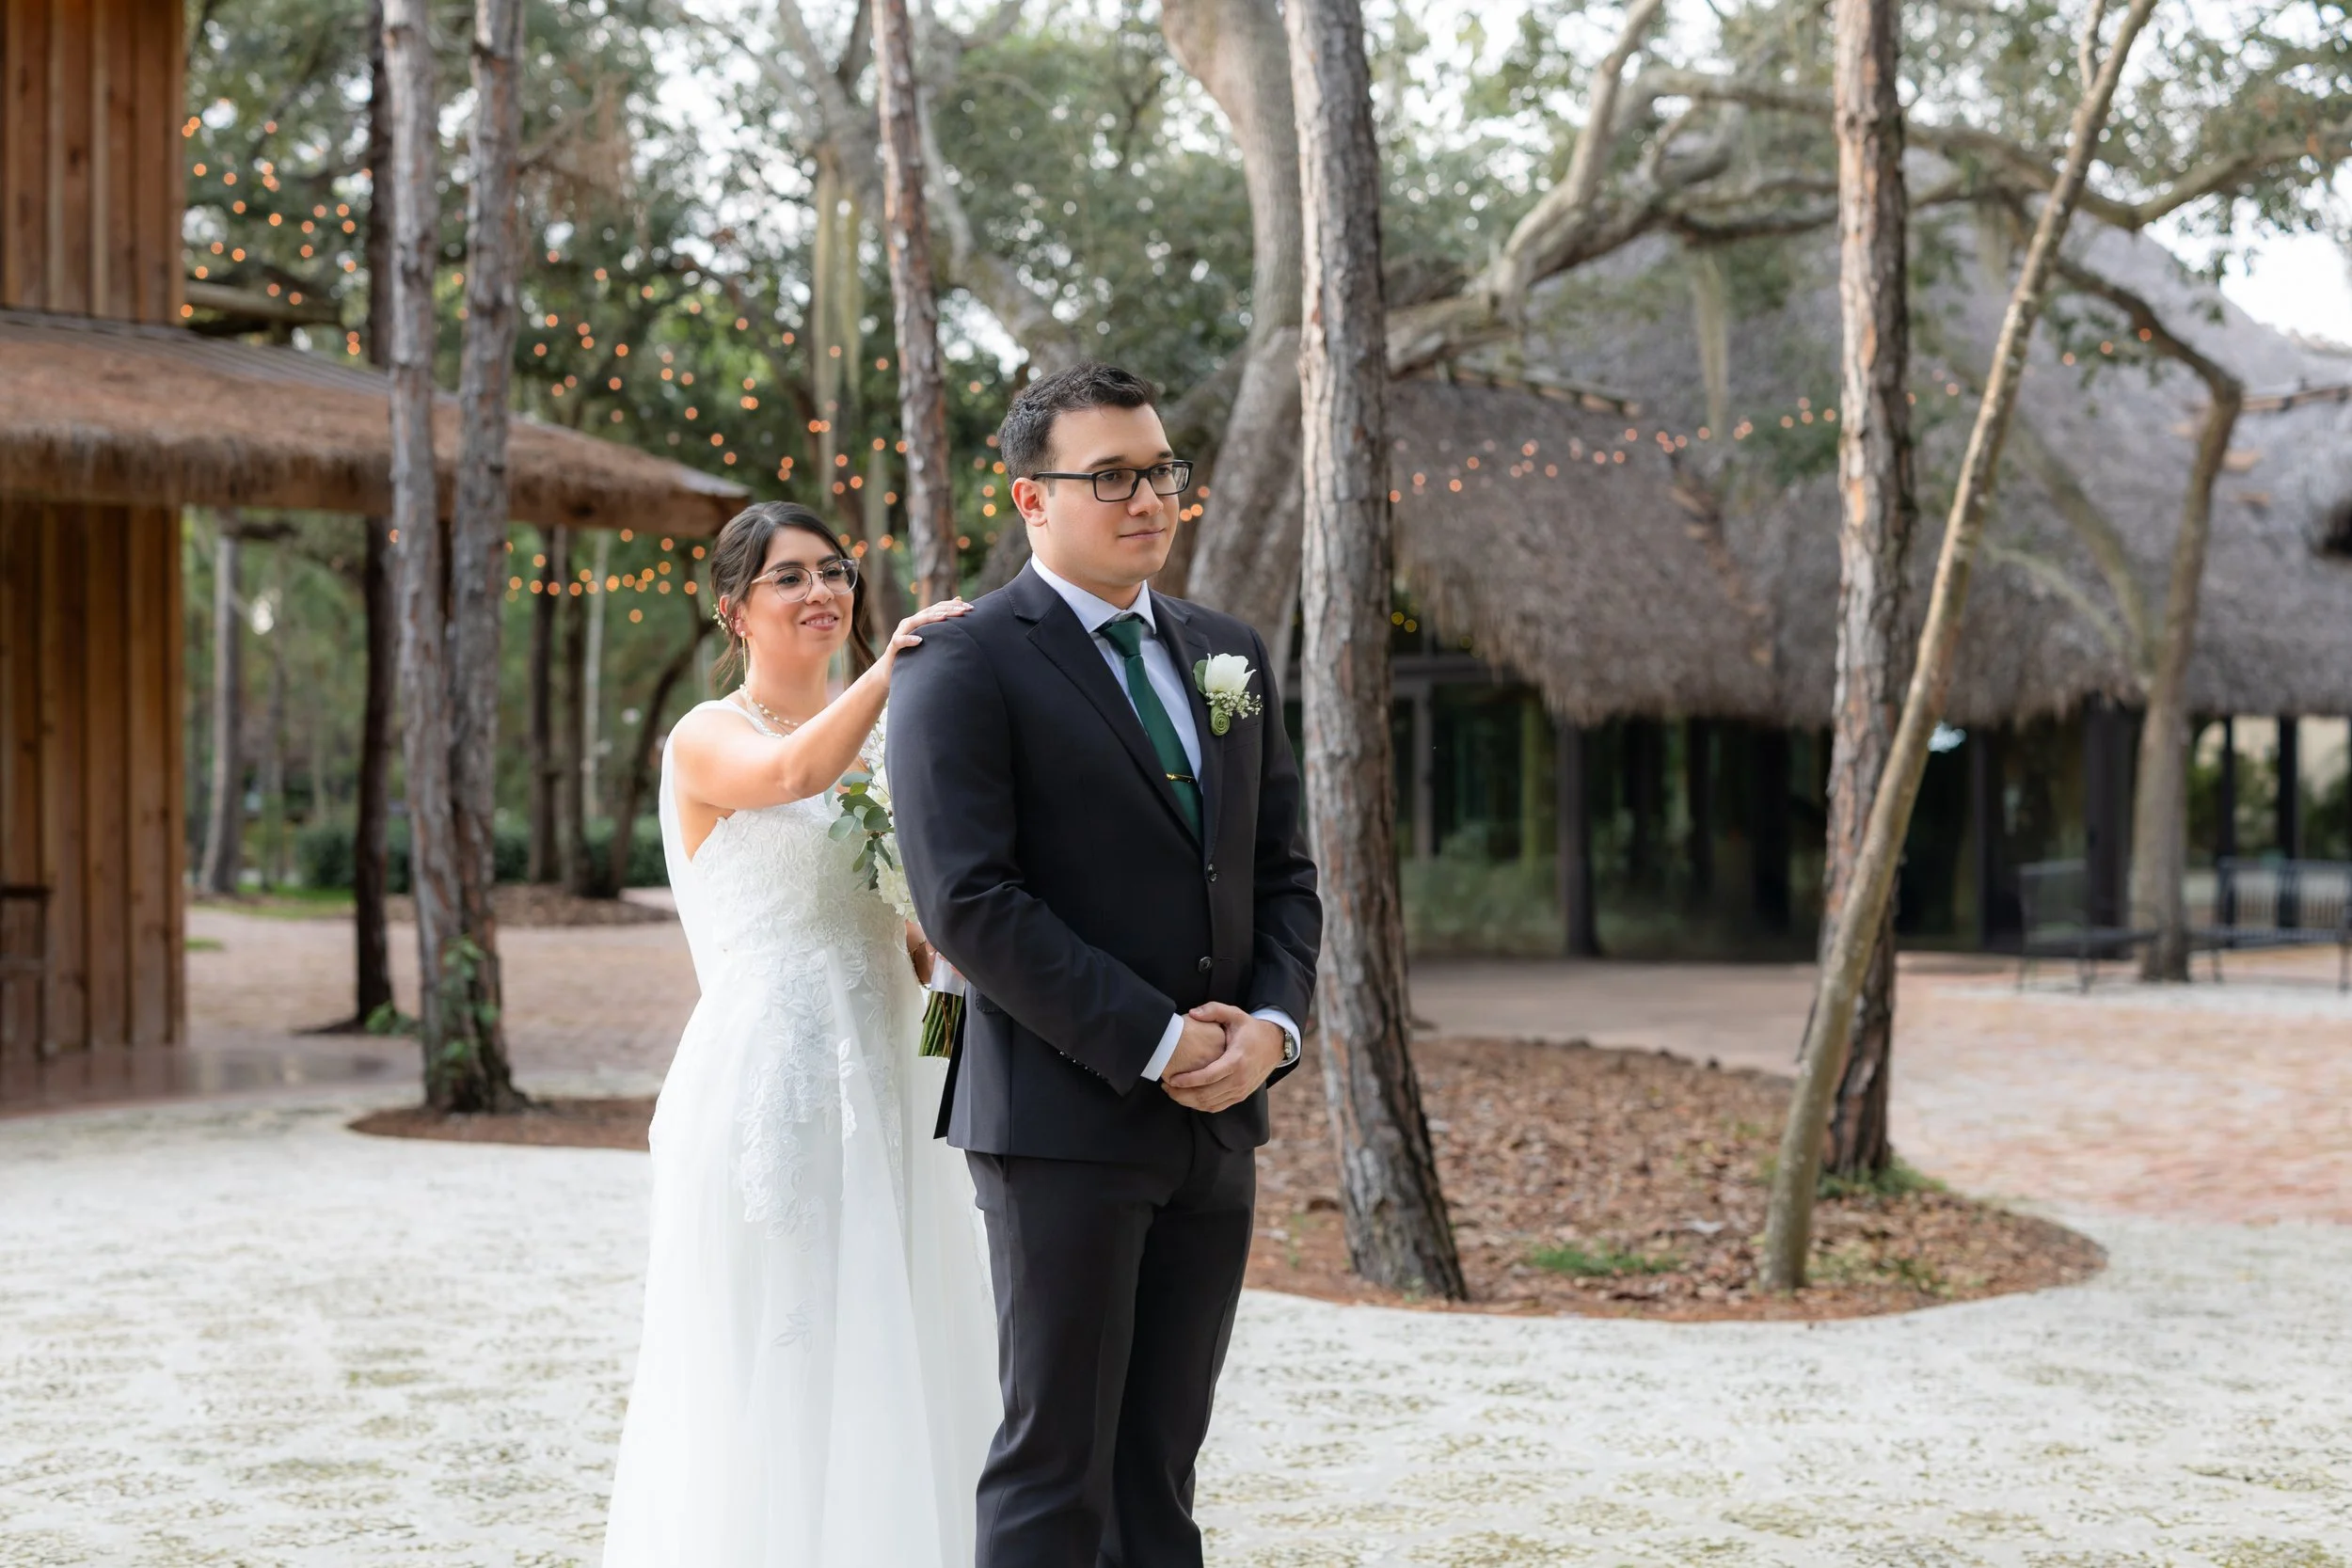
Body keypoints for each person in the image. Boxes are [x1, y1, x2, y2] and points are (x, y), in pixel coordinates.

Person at [888, 363, 1323, 1568]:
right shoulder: (964, 660)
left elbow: (1282, 875)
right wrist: (1156, 1034)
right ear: (1031, 499)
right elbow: (968, 901)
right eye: (1112, 477)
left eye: (1162, 472)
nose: (1150, 500)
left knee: (1161, 1471)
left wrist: (1268, 1033)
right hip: (1057, 1121)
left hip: (1217, 1126)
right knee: (1053, 1466)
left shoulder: (1227, 653)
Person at [601, 502, 996, 1567]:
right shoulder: (706, 736)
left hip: (891, 1066)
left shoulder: (882, 738)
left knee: (900, 1320)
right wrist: (900, 662)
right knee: (789, 1334)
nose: (822, 591)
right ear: (734, 609)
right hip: (774, 1075)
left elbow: (928, 932)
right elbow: (790, 778)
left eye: (834, 570)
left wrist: (946, 1050)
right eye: (788, 578)